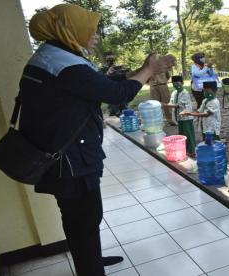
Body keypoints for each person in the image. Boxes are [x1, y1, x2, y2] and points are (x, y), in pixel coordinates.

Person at [24, 4, 175, 276]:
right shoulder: (66, 66)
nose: (96, 37)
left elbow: (100, 86)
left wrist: (142, 69)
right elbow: (117, 95)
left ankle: (89, 258)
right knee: (84, 217)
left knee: (77, 217)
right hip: (70, 160)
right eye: (91, 31)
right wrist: (149, 70)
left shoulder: (51, 56)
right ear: (71, 31)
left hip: (59, 153)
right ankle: (90, 269)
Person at [163, 76, 196, 157]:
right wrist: (166, 105)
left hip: (186, 117)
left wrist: (165, 105)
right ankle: (185, 150)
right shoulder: (174, 93)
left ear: (182, 83)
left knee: (188, 134)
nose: (176, 85)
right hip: (179, 117)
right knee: (182, 135)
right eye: (174, 84)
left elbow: (178, 105)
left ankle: (192, 150)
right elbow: (171, 103)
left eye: (178, 83)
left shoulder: (185, 93)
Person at [101, 51, 129, 116]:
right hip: (111, 94)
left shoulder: (118, 67)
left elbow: (124, 78)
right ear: (105, 59)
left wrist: (124, 70)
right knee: (115, 112)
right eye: (109, 59)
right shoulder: (102, 69)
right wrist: (107, 73)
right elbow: (101, 80)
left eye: (112, 58)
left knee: (125, 111)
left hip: (121, 92)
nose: (110, 60)